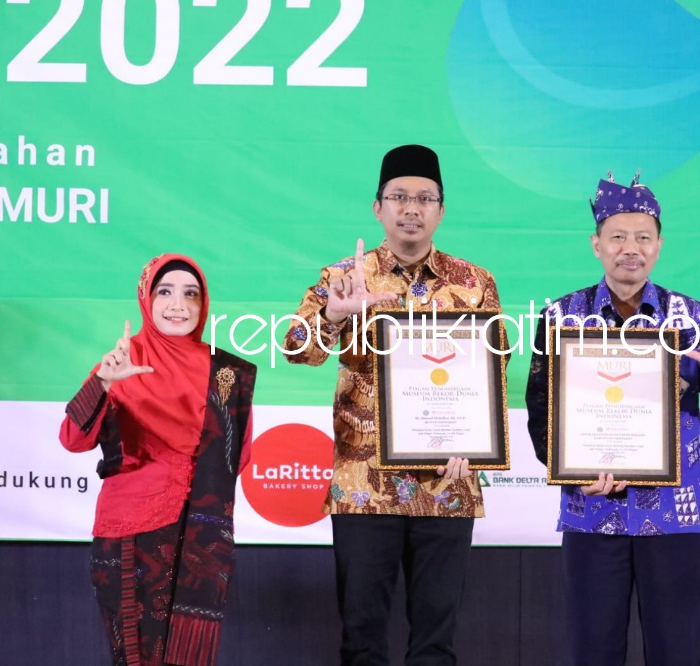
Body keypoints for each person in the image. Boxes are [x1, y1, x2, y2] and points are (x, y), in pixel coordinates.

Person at [283, 144, 503, 666]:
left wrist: (476, 443)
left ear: (441, 210)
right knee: (362, 640)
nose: (411, 207)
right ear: (377, 207)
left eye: (425, 198)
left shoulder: (475, 285)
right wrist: (334, 316)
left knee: (435, 645)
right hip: (364, 489)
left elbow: (492, 371)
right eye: (399, 196)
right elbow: (296, 349)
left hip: (448, 485)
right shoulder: (343, 276)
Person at [524, 171, 700, 666]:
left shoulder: (692, 316)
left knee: (677, 651)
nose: (632, 248)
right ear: (596, 244)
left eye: (643, 237)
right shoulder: (561, 316)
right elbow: (541, 409)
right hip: (591, 516)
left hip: (675, 517)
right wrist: (570, 470)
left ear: (659, 245)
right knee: (593, 652)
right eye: (619, 237)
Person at [59, 254, 257, 666]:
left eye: (191, 294)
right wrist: (103, 384)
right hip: (130, 533)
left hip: (200, 537)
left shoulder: (226, 375)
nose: (178, 305)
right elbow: (72, 440)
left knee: (185, 657)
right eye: (164, 292)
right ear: (146, 300)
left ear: (204, 305)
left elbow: (238, 458)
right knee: (136, 657)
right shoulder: (120, 363)